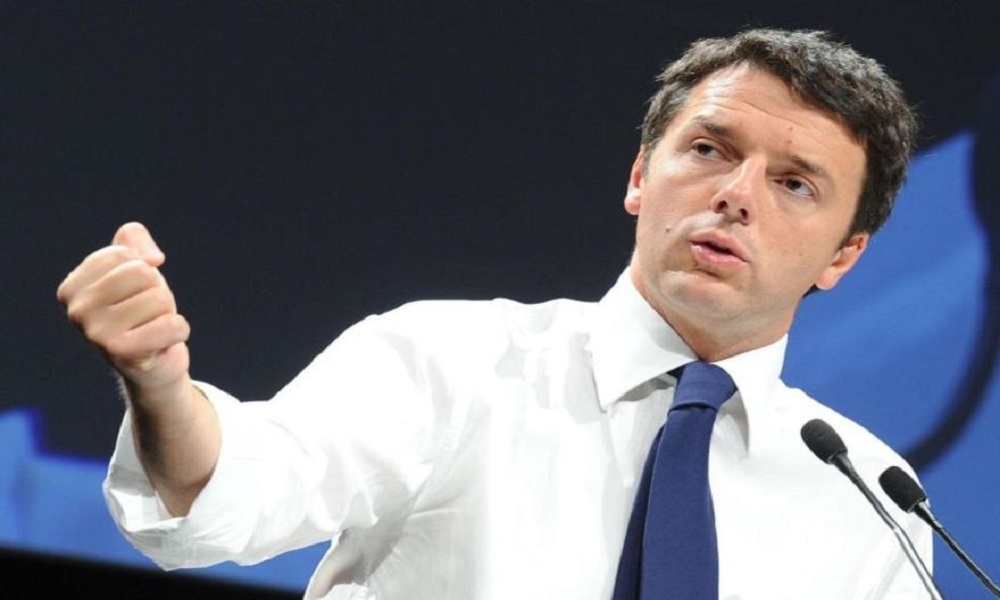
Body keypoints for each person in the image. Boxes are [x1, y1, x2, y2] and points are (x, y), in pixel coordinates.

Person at [57, 28, 929, 599]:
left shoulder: (871, 497)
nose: (736, 195)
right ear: (640, 176)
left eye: (794, 184)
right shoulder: (449, 360)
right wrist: (160, 388)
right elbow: (226, 497)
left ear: (844, 255)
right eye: (709, 149)